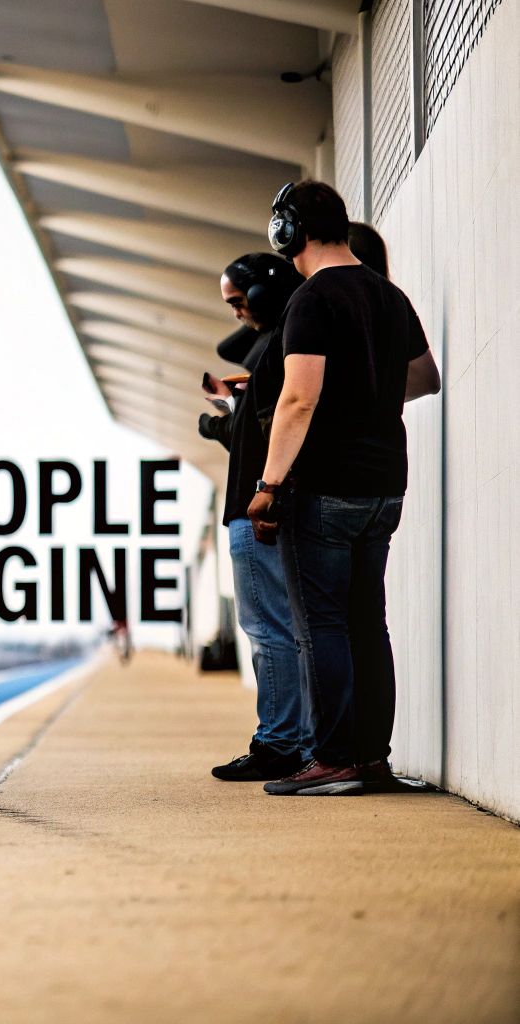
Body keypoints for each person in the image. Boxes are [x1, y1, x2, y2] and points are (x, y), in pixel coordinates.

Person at [247, 182, 441, 796]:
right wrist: (368, 391)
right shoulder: (390, 295)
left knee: (322, 627)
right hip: (385, 486)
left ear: (289, 233)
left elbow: (298, 399)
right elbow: (425, 378)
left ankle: (332, 759)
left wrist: (268, 484)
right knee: (367, 625)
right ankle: (372, 759)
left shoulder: (312, 299)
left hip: (326, 488)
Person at [200, 253, 309, 782]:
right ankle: (298, 740)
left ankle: (279, 742)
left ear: (265, 292)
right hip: (263, 505)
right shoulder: (279, 346)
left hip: (255, 508)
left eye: (239, 301)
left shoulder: (275, 348)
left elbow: (270, 434)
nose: (237, 312)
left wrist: (228, 420)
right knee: (286, 630)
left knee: (269, 632)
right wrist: (231, 413)